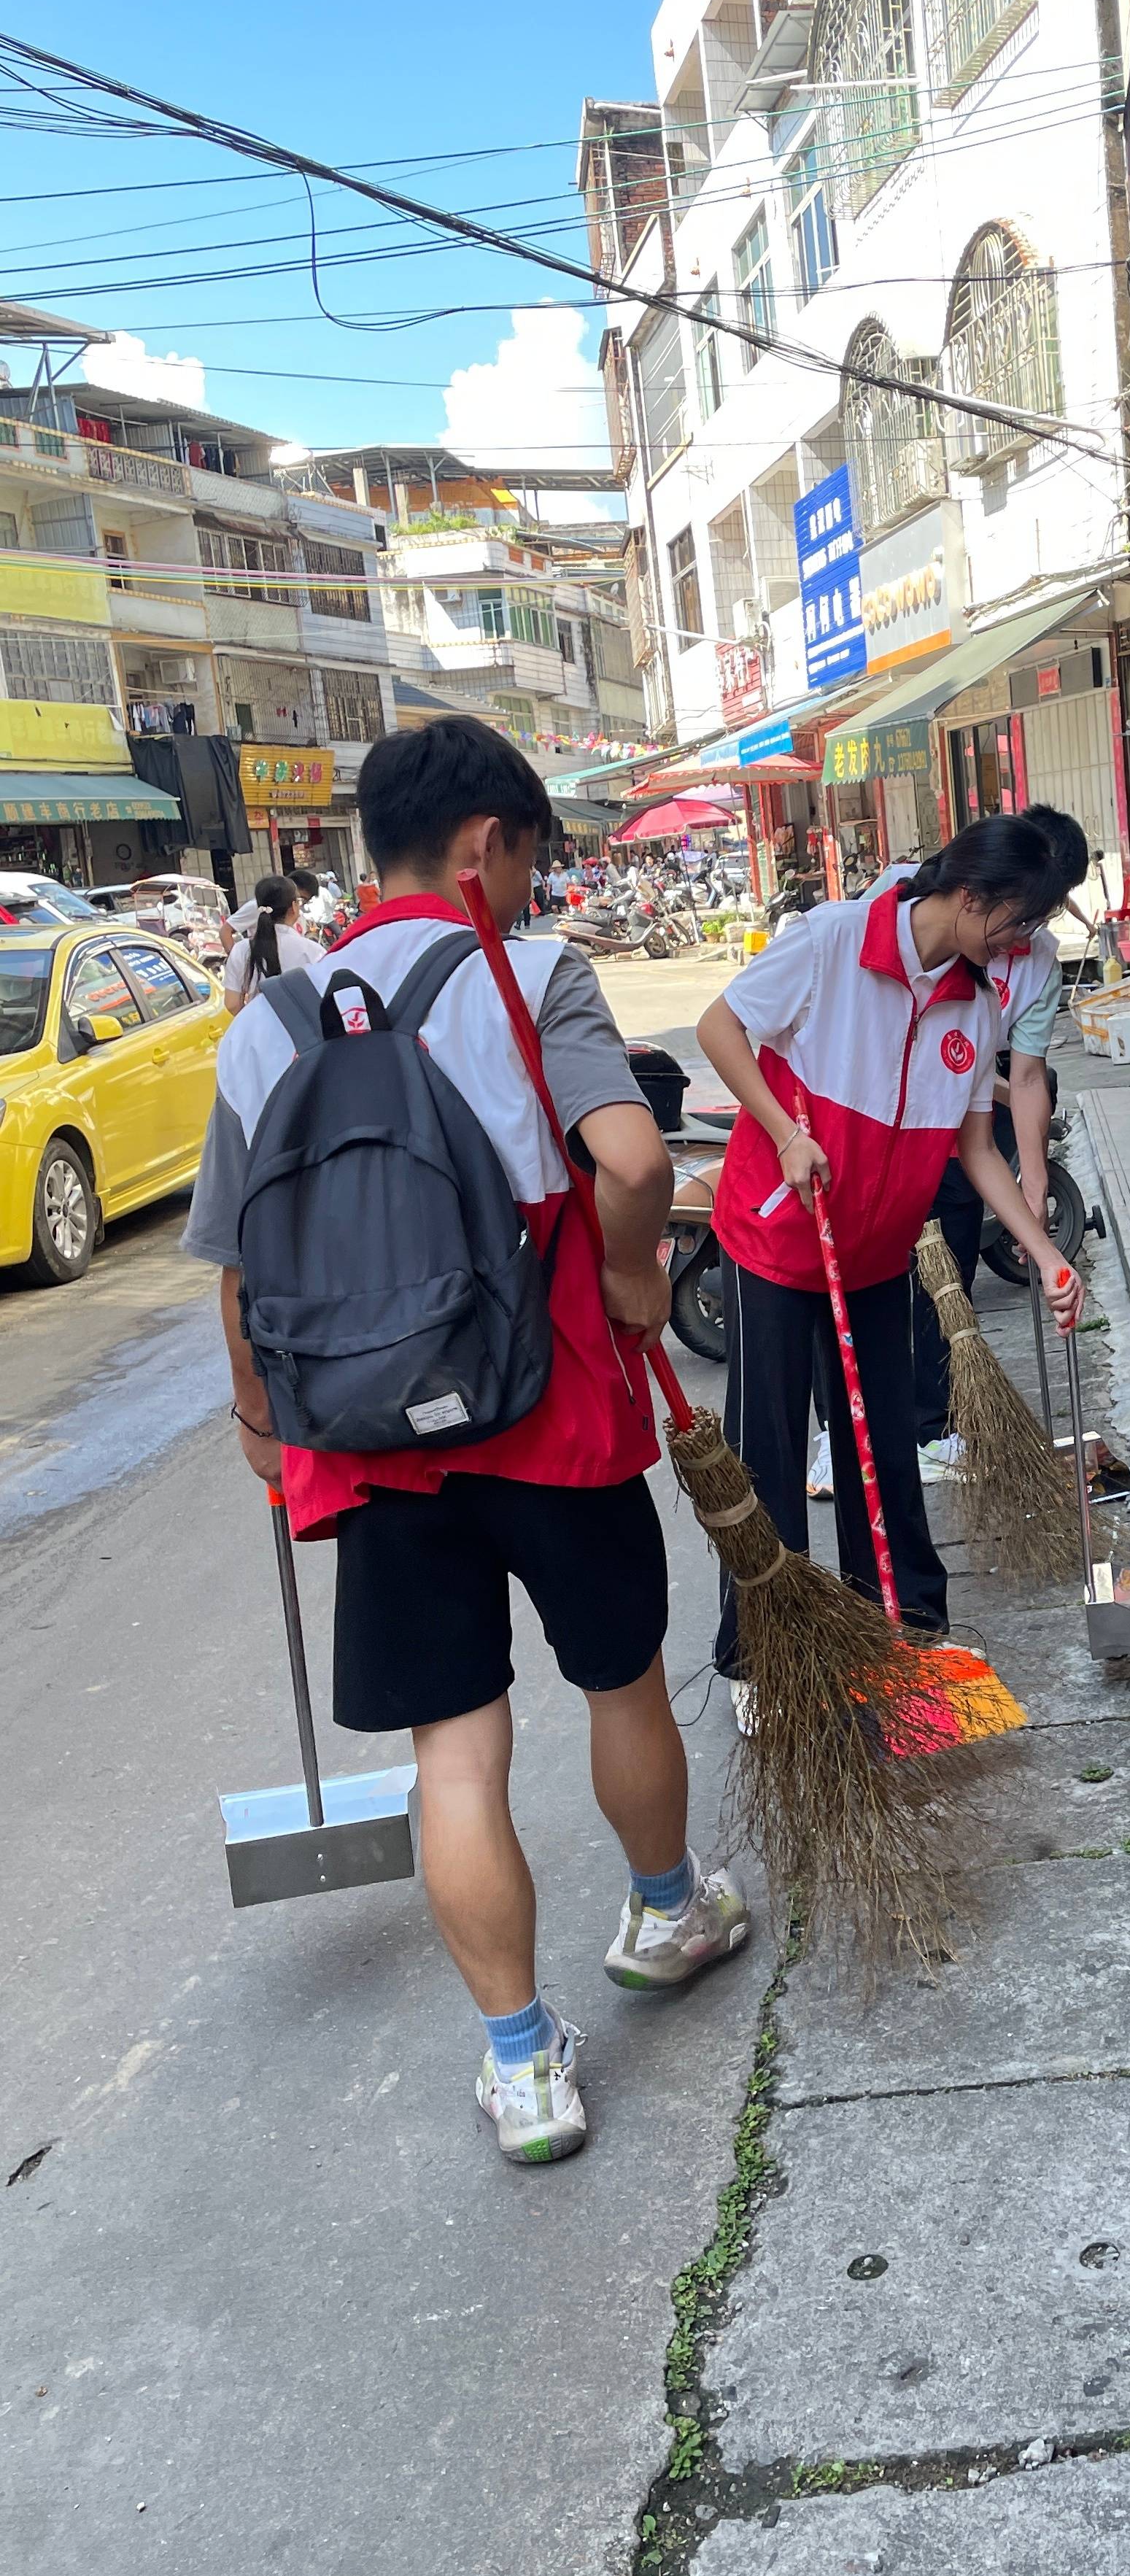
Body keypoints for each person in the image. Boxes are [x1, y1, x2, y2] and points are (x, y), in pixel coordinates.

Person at [183, 717, 743, 2168]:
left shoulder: (269, 1024)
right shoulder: (538, 978)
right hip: (548, 1413)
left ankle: (524, 2068)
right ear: (486, 845)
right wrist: (630, 1275)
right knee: (622, 1684)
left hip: (369, 1441)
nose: (536, 893)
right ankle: (671, 1913)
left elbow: (241, 1268)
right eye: (534, 861)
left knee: (456, 1753)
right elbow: (630, 1161)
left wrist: (262, 1429)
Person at [696, 816, 1086, 1679]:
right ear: (971, 895)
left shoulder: (977, 1004)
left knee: (884, 1448)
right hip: (776, 1238)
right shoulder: (833, 942)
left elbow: (974, 1148)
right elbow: (719, 1028)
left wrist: (1048, 1252)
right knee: (769, 1455)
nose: (1023, 944)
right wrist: (783, 1133)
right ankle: (764, 1652)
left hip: (873, 1254)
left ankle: (905, 1624)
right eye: (1017, 922)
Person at [806, 805, 1090, 1496]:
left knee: (947, 1273)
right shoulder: (893, 903)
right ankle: (837, 1437)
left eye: (1043, 914)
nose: (1030, 931)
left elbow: (1024, 1080)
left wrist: (1033, 1190)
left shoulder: (1027, 969)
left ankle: (933, 1426)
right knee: (849, 1298)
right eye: (1025, 910)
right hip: (865, 1130)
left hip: (958, 1115)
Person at [222, 873, 319, 1015]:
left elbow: (232, 1004)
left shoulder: (241, 950)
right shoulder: (313, 951)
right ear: (293, 906)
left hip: (260, 1029)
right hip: (300, 1029)